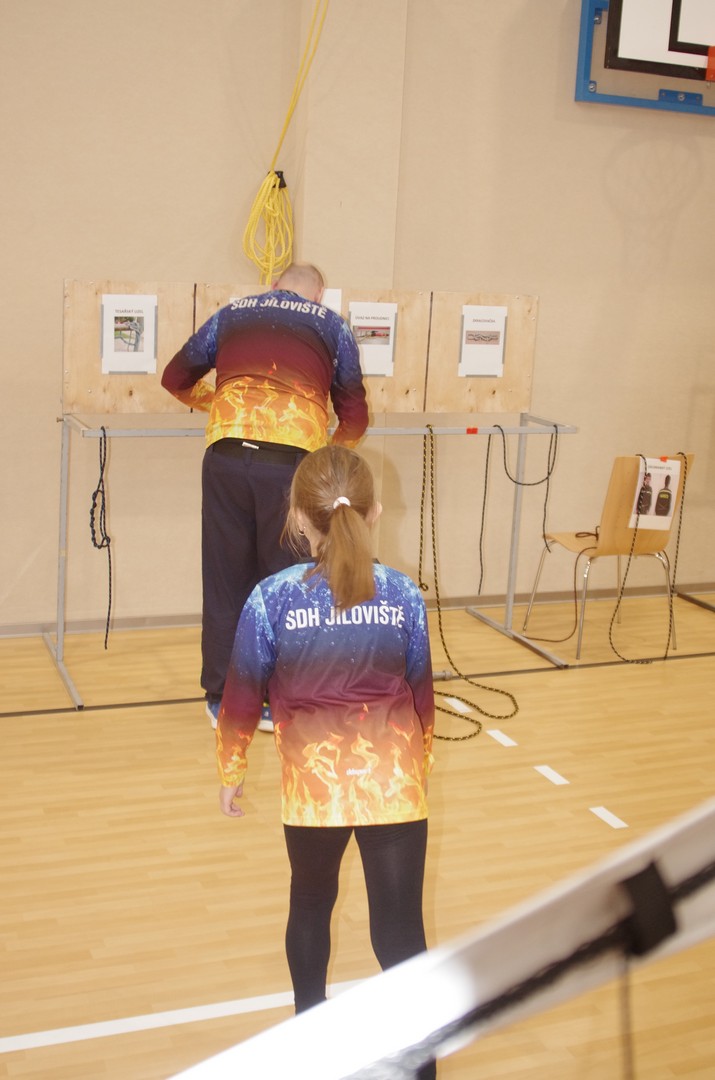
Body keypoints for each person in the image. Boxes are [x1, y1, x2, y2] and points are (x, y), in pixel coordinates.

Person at [216, 445, 437, 1079]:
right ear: (375, 512)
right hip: (395, 785)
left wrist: (231, 772)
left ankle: (309, 1048)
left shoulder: (271, 599)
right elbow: (422, 697)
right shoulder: (404, 595)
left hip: (313, 791)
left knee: (310, 904)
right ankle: (421, 1068)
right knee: (400, 933)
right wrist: (416, 766)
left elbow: (239, 699)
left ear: (295, 516)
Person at [161, 263, 368, 730]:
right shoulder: (332, 326)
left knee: (225, 579)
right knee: (287, 581)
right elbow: (354, 412)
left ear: (273, 285)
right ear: (318, 295)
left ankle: (222, 700)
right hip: (290, 463)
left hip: (225, 455)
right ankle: (279, 699)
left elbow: (174, 377)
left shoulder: (232, 313)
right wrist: (331, 451)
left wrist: (217, 404)